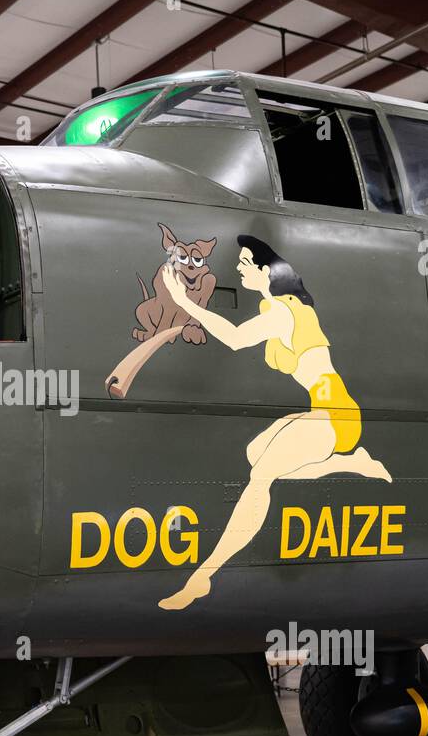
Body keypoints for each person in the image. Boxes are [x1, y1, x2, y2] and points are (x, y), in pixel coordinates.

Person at [157, 235, 391, 611]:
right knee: (255, 455)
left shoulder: (285, 311)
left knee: (261, 477)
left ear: (266, 271)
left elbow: (233, 339)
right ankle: (349, 461)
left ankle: (202, 577)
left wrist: (183, 302)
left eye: (245, 261)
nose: (238, 267)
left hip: (335, 413)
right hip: (326, 408)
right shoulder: (276, 310)